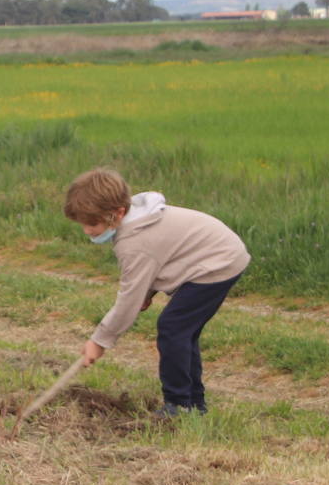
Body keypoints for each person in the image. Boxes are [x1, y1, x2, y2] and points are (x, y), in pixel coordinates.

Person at [65, 168, 250, 418]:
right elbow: (159, 259)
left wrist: (100, 341)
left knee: (173, 328)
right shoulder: (137, 220)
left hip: (218, 263)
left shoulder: (135, 242)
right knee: (182, 331)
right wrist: (148, 292)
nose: (87, 230)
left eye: (92, 223)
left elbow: (128, 299)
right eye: (83, 224)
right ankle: (194, 404)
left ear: (117, 213)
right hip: (219, 254)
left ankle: (179, 405)